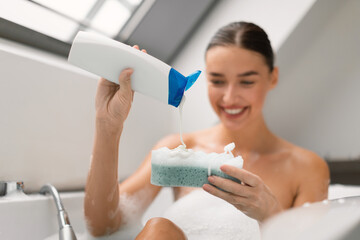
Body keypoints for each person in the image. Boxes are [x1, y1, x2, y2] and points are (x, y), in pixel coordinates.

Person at [84, 22, 330, 239]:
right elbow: (103, 227)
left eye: (246, 81)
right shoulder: (180, 149)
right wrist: (107, 125)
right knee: (159, 228)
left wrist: (270, 213)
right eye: (217, 81)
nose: (230, 97)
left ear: (272, 78)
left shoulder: (306, 167)